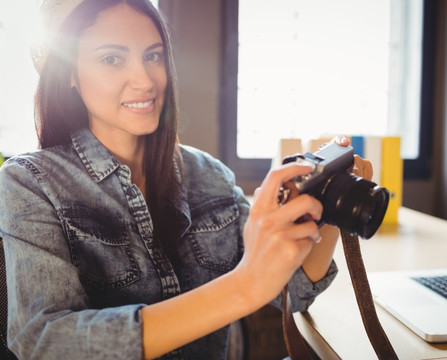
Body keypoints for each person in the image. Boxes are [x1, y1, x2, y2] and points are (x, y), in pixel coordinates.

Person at [0, 0, 373, 359]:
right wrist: (242, 287)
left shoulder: (210, 176)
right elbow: (44, 341)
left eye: (153, 55)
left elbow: (296, 291)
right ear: (69, 73)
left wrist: (329, 205)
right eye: (112, 58)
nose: (144, 80)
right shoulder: (29, 183)